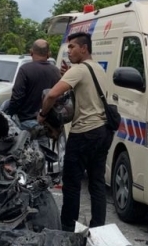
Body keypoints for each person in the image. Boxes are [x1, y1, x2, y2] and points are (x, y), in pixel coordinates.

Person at [38, 31, 112, 232]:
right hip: (103, 131)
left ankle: (67, 228)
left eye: (72, 47)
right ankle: (98, 230)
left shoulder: (78, 70)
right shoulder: (98, 69)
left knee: (71, 183)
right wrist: (66, 74)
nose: (68, 51)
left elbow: (52, 95)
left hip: (84, 133)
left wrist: (43, 115)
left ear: (84, 48)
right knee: (97, 182)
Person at [5, 39, 60, 130]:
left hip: (25, 123)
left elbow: (17, 97)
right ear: (49, 54)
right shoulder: (56, 71)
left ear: (31, 52)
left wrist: (9, 115)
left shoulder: (25, 70)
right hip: (47, 124)